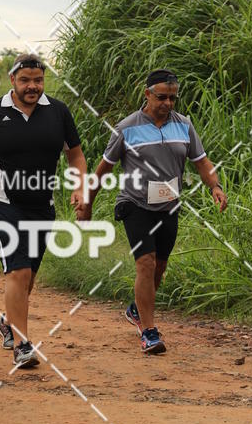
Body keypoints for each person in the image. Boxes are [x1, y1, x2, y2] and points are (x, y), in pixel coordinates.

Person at [80, 69, 227, 355]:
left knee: (160, 266)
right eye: (161, 97)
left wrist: (215, 187)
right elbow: (104, 168)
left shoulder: (184, 125)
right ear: (147, 94)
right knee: (145, 263)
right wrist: (88, 204)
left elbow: (201, 161)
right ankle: (148, 331)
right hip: (135, 204)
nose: (168, 103)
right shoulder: (127, 128)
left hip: (169, 205)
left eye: (172, 98)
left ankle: (137, 309)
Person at [0, 53, 87, 368]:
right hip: (3, 205)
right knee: (17, 271)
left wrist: (79, 187)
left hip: (43, 207)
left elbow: (75, 155)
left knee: (28, 276)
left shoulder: (58, 112)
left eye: (38, 80)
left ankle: (7, 321)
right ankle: (22, 345)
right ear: (12, 80)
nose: (32, 86)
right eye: (25, 80)